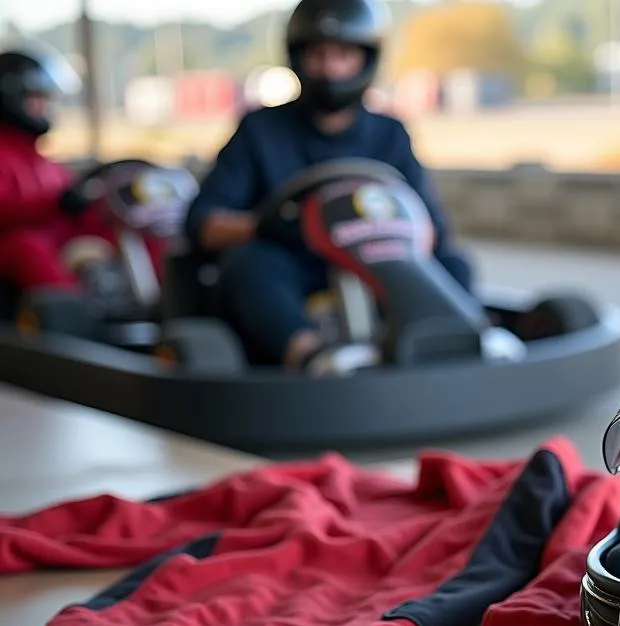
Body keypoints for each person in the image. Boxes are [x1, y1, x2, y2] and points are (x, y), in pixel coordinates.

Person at [185, 0, 476, 373]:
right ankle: (314, 357)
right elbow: (202, 224)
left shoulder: (389, 134)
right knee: (248, 264)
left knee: (454, 264)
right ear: (298, 59)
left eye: (343, 55)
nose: (331, 68)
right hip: (293, 270)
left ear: (366, 59)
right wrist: (263, 226)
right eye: (319, 55)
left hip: (376, 266)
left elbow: (432, 230)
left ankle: (448, 343)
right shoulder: (260, 131)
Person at [0, 39, 165, 311]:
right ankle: (77, 322)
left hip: (56, 243)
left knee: (134, 229)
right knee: (27, 247)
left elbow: (71, 208)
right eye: (37, 99)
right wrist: (55, 203)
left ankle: (159, 310)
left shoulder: (43, 162)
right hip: (15, 250)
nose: (45, 107)